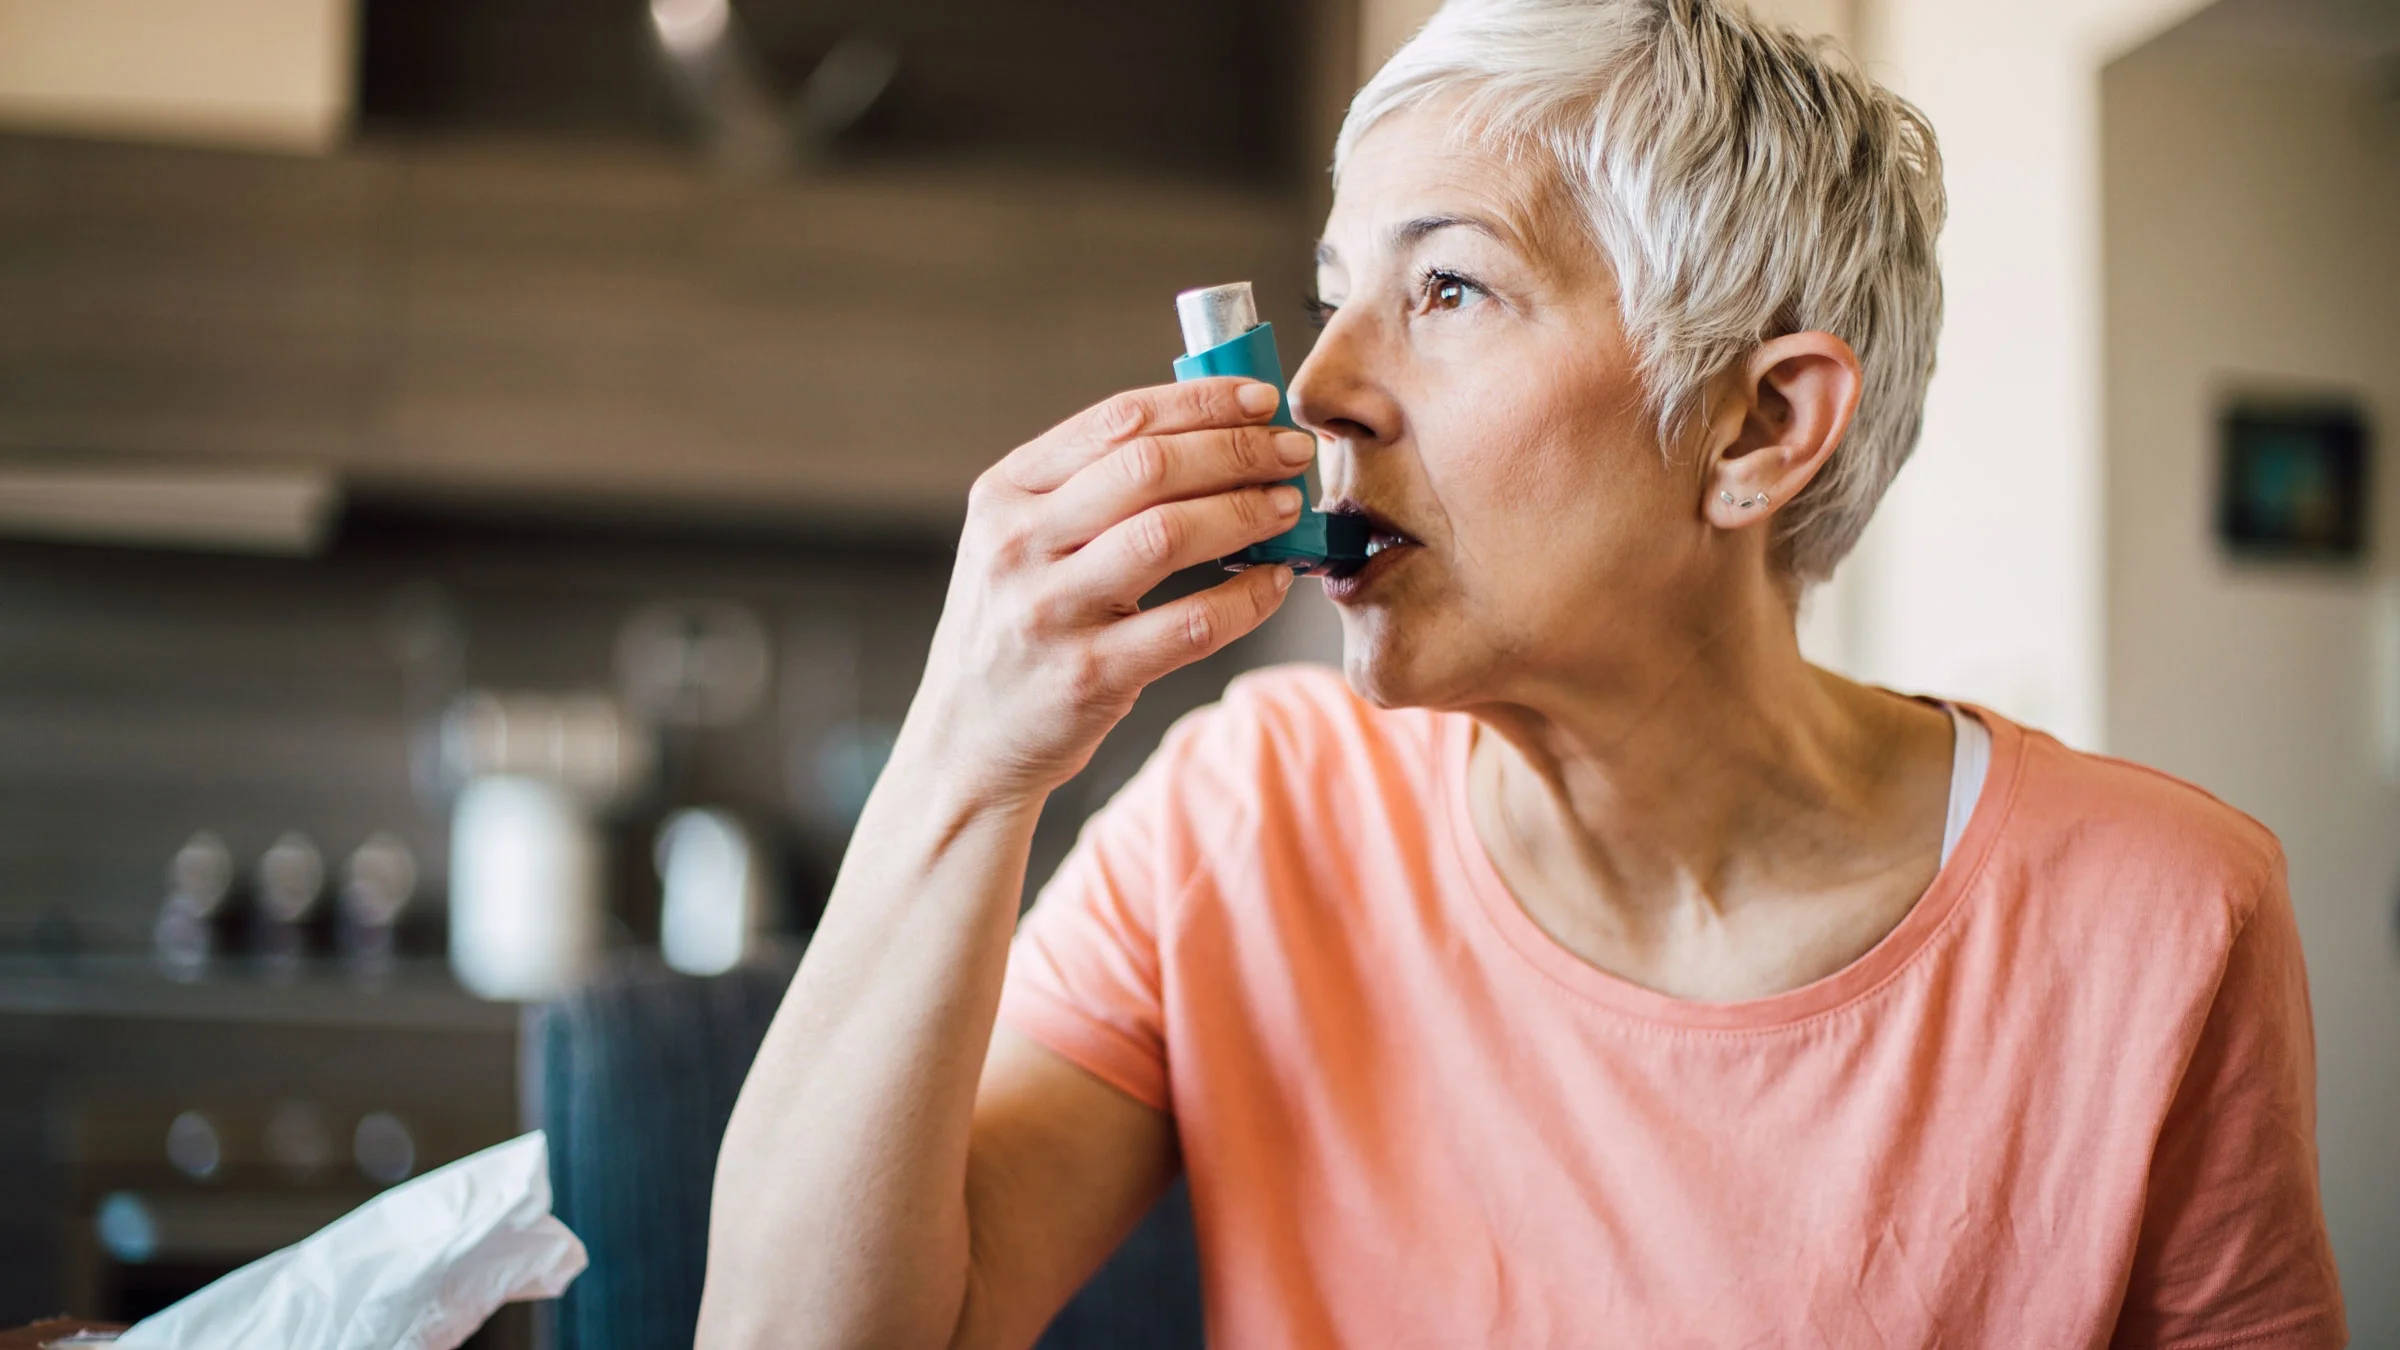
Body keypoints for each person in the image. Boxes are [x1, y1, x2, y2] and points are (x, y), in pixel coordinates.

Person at [697, 0, 2348, 1344]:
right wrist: (962, 758)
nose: (1321, 388)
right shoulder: (1247, 812)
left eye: (1450, 286)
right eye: (1339, 295)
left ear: (1759, 426)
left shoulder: (2165, 914)